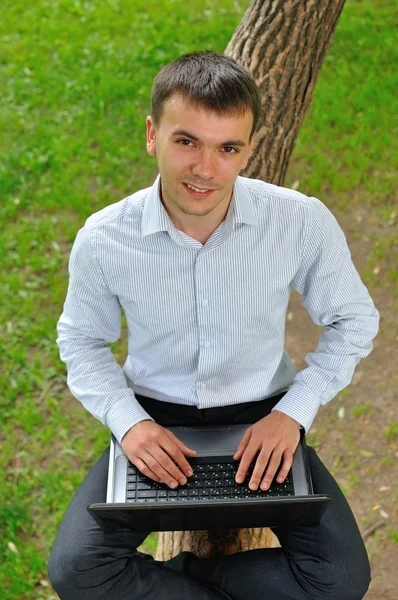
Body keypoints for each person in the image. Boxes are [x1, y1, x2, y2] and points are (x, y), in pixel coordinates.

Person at [48, 51, 379, 600]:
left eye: (228, 148)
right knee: (77, 571)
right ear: (152, 135)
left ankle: (195, 579)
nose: (206, 169)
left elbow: (354, 321)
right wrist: (129, 424)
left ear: (249, 150)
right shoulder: (105, 237)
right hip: (155, 421)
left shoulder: (300, 221)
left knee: (341, 581)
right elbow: (82, 340)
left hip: (264, 420)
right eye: (187, 141)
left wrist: (291, 415)